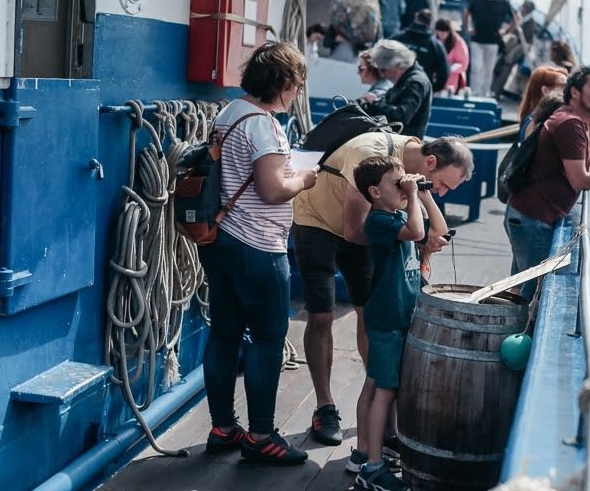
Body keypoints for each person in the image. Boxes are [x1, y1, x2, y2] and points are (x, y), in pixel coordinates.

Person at [292, 134, 474, 446]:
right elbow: (354, 230)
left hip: (365, 227)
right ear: (430, 163)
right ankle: (325, 406)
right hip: (318, 222)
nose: (440, 193)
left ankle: (380, 397)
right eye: (442, 184)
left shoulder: (402, 186)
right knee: (322, 315)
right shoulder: (371, 155)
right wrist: (414, 238)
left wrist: (423, 203)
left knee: (366, 310)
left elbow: (419, 228)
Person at [198, 42, 319, 464]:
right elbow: (271, 191)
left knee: (225, 334)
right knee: (268, 338)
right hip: (258, 247)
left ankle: (223, 427)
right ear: (284, 83)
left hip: (222, 240)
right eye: (297, 85)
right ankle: (262, 436)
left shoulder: (229, 113)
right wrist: (304, 180)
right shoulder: (264, 126)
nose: (298, 93)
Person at [504, 66, 590, 299]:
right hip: (534, 220)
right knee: (531, 298)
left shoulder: (571, 118)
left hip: (526, 215)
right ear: (575, 92)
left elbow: (583, 168)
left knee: (520, 292)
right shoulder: (570, 124)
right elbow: (579, 178)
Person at [350, 156, 447, 491]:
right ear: (375, 192)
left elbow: (439, 232)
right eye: (398, 184)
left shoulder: (394, 215)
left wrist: (425, 195)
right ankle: (372, 467)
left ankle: (367, 454)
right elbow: (417, 231)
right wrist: (412, 196)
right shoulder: (379, 221)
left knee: (380, 386)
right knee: (385, 390)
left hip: (401, 316)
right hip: (388, 319)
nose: (405, 187)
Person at [360, 40, 433, 138]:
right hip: (396, 141)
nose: (382, 75)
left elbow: (401, 116)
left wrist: (376, 102)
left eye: (383, 70)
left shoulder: (415, 82)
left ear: (398, 65)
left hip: (404, 146)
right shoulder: (404, 79)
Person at [467, 0, 513, 97]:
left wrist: (506, 31)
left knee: (488, 70)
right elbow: (468, 12)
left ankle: (484, 93)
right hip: (477, 40)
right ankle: (474, 92)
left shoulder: (503, 2)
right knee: (476, 67)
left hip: (492, 42)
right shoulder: (477, 0)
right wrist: (468, 27)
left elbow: (516, 18)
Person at [392, 9, 449, 93]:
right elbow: (444, 74)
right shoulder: (436, 46)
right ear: (430, 24)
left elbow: (380, 56)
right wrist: (430, 89)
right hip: (420, 91)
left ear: (416, 18)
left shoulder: (398, 39)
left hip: (396, 88)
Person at [517, 66, 569, 139]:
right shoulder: (536, 123)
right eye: (562, 86)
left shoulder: (533, 119)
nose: (568, 91)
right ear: (545, 91)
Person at [433, 18, 470, 94]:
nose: (442, 35)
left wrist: (450, 69)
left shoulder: (458, 43)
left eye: (445, 32)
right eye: (440, 32)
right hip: (436, 77)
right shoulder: (433, 41)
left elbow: (464, 63)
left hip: (452, 79)